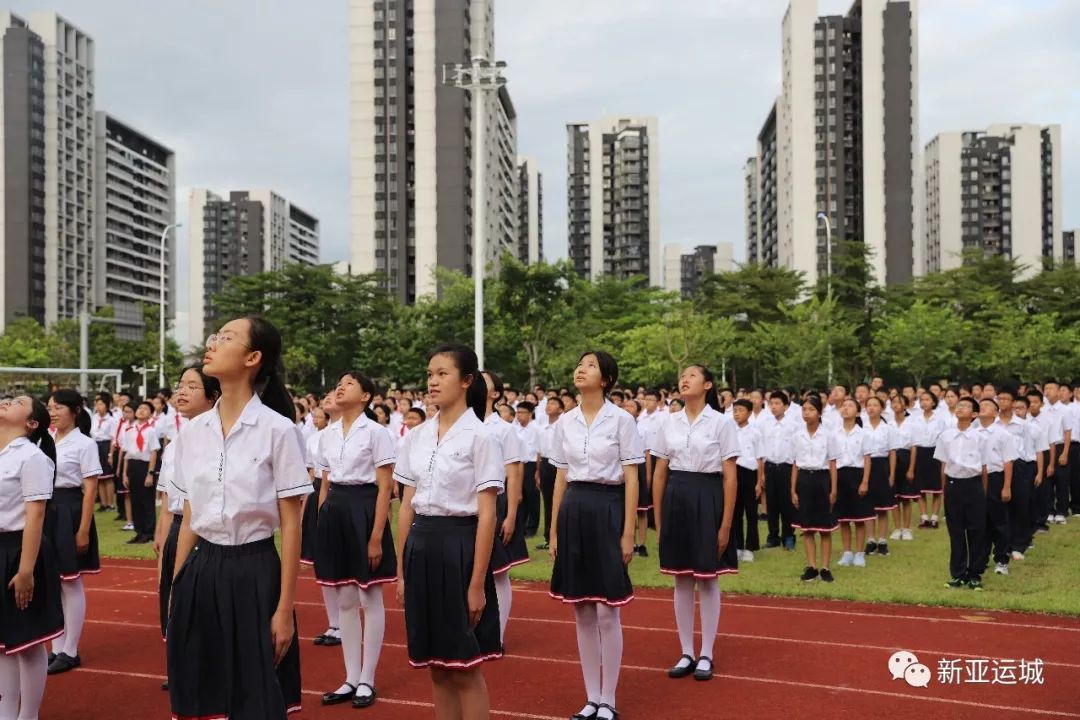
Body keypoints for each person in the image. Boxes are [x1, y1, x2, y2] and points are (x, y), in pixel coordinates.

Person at [167, 317, 310, 719]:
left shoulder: (278, 431)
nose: (212, 343)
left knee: (255, 697)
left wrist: (284, 609)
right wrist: (178, 585)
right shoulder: (193, 433)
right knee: (201, 692)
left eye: (226, 338)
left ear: (253, 357)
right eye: (214, 336)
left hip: (254, 570)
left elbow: (293, 524)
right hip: (200, 570)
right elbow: (191, 514)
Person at [394, 344, 503, 720]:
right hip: (420, 546)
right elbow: (406, 505)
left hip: (459, 546)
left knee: (465, 666)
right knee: (437, 666)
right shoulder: (417, 435)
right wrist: (402, 571)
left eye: (442, 373)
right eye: (429, 374)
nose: (433, 381)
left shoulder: (481, 437)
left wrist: (476, 584)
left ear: (467, 380)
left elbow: (487, 515)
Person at [548, 351, 643, 720]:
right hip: (573, 507)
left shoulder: (622, 421)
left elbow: (632, 477)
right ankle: (591, 698)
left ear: (605, 379)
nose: (580, 369)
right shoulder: (565, 422)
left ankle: (609, 699)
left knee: (607, 610)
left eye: (590, 365)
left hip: (607, 507)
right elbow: (559, 477)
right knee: (582, 610)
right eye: (579, 364)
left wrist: (627, 531)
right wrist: (554, 529)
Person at [315, 370, 397, 709]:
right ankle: (350, 677)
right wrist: (322, 520)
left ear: (365, 396)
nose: (340, 386)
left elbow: (384, 489)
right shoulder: (327, 434)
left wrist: (376, 536)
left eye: (349, 383)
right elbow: (325, 482)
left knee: (370, 596)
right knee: (345, 598)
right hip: (335, 510)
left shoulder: (377, 433)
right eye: (339, 382)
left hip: (364, 509)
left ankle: (367, 679)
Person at [650, 365, 738, 683]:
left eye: (692, 375)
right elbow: (660, 472)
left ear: (708, 384)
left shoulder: (722, 423)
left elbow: (730, 475)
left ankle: (707, 653)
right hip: (676, 496)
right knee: (681, 578)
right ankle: (686, 650)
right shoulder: (668, 422)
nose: (684, 379)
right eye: (682, 376)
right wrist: (658, 521)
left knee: (708, 577)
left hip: (708, 495)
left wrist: (725, 524)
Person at [153, 366, 221, 691]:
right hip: (178, 529)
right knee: (173, 600)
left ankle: (206, 669)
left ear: (213, 396)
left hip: (204, 532)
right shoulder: (176, 443)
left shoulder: (217, 440)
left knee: (201, 603)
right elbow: (168, 501)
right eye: (180, 385)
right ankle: (184, 664)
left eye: (193, 386)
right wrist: (162, 538)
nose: (182, 391)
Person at [0, 395, 63, 720]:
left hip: (21, 550)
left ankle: (29, 715)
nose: (8, 401)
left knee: (28, 641)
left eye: (19, 401)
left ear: (32, 423)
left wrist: (26, 571)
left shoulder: (32, 457)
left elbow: (35, 516)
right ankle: (7, 711)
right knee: (4, 644)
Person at [43, 390, 102, 675]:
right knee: (50, 582)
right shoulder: (46, 440)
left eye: (58, 407)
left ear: (75, 410)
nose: (52, 412)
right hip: (46, 510)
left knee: (70, 582)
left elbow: (90, 488)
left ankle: (70, 650)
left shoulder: (85, 444)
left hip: (70, 509)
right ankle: (55, 648)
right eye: (49, 407)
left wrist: (83, 530)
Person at [481, 370, 526, 644]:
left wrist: (510, 515)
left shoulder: (504, 429)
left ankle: (496, 634)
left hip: (496, 502)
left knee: (499, 573)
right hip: (469, 504)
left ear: (495, 394)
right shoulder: (463, 424)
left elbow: (514, 473)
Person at [934, 397, 988, 590]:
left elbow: (984, 468)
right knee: (955, 531)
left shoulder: (981, 437)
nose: (961, 408)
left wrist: (983, 492)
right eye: (959, 405)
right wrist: (943, 490)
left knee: (976, 531)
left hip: (973, 486)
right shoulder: (946, 436)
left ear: (974, 414)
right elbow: (943, 464)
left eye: (966, 406)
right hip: (953, 485)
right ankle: (957, 574)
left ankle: (974, 573)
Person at [790, 396, 838, 583]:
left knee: (825, 529)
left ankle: (825, 568)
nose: (806, 413)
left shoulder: (828, 435)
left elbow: (833, 463)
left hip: (822, 478)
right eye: (804, 410)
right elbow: (795, 464)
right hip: (803, 479)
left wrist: (833, 489)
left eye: (810, 409)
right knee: (807, 528)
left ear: (819, 412)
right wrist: (793, 490)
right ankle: (811, 567)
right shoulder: (797, 435)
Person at [976, 398, 1018, 577]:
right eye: (981, 405)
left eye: (987, 406)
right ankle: (980, 559)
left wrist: (1006, 486)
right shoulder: (972, 432)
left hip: (996, 478)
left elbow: (1008, 461)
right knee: (979, 521)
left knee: (999, 521)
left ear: (995, 412)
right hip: (976, 478)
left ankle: (1001, 559)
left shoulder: (1003, 434)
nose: (982, 407)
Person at [1001, 393, 1044, 562]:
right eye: (1016, 407)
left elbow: (1036, 450)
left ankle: (1019, 544)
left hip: (1021, 466)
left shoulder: (1027, 427)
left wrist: (1039, 472)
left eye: (1021, 407)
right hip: (1000, 467)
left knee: (1021, 506)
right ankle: (1004, 544)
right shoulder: (997, 424)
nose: (1018, 410)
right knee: (1003, 508)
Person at [833, 398, 873, 568]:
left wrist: (864, 481)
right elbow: (832, 460)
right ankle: (847, 552)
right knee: (843, 518)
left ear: (857, 412)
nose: (845, 408)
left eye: (850, 406)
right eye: (844, 406)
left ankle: (859, 553)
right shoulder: (834, 433)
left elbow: (867, 459)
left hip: (857, 474)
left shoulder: (863, 433)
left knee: (859, 518)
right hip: (840, 475)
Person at [760, 391, 797, 551]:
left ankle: (788, 536)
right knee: (772, 503)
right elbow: (761, 450)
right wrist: (761, 472)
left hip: (786, 467)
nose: (773, 407)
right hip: (770, 466)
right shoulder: (765, 424)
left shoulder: (794, 425)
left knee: (787, 503)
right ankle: (773, 535)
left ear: (786, 406)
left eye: (777, 403)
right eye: (771, 403)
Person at [862, 397, 897, 556]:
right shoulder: (861, 426)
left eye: (875, 405)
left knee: (883, 507)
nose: (871, 408)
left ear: (882, 408)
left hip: (882, 466)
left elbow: (892, 452)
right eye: (869, 405)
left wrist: (891, 474)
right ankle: (870, 540)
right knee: (868, 505)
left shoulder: (887, 428)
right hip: (865, 466)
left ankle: (882, 540)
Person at [730, 399, 763, 563]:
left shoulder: (755, 433)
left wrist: (759, 482)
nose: (737, 413)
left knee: (751, 513)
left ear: (749, 413)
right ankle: (737, 546)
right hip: (733, 472)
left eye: (740, 410)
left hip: (750, 474)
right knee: (735, 511)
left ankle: (750, 547)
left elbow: (759, 459)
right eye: (735, 410)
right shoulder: (730, 431)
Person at [911, 391, 945, 529]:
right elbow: (913, 441)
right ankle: (924, 516)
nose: (924, 402)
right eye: (922, 399)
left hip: (935, 452)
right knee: (921, 488)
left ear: (933, 402)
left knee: (936, 488)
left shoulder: (940, 419)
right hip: (920, 452)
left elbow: (943, 439)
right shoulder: (915, 419)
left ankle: (935, 517)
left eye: (927, 399)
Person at [535, 396, 563, 551]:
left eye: (553, 403)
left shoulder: (562, 425)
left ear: (560, 409)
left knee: (559, 500)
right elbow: (539, 452)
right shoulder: (542, 427)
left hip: (559, 465)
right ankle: (548, 536)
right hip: (545, 464)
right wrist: (538, 472)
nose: (549, 406)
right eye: (548, 403)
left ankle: (560, 534)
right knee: (547, 500)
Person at [889, 394, 917, 541]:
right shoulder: (887, 423)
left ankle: (906, 528)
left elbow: (913, 447)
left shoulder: (911, 423)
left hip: (905, 458)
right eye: (893, 402)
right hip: (892, 459)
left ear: (905, 405)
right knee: (894, 497)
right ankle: (897, 528)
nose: (895, 405)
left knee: (906, 497)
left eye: (899, 402)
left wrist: (911, 468)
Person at [515, 402, 542, 539]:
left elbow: (539, 451)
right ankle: (522, 526)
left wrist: (538, 471)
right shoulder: (515, 429)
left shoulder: (536, 428)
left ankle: (532, 527)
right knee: (521, 497)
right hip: (519, 464)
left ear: (530, 413)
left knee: (532, 497)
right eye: (517, 412)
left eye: (522, 412)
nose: (518, 416)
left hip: (531, 464)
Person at [90, 393, 117, 512]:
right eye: (97, 404)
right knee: (99, 476)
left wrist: (110, 454)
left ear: (106, 406)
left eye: (101, 404)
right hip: (95, 445)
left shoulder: (111, 420)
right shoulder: (94, 417)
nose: (98, 406)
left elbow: (113, 438)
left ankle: (110, 503)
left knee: (108, 477)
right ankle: (103, 503)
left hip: (105, 445)